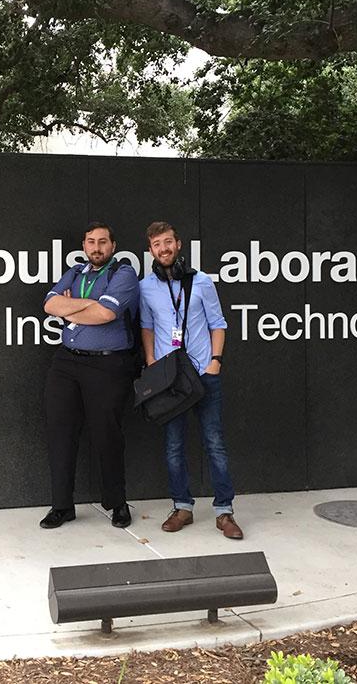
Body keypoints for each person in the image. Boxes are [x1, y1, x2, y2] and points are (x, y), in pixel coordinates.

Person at [139, 221, 244, 539]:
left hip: (202, 374)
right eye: (157, 244)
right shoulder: (146, 287)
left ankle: (224, 512)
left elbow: (218, 323)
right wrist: (151, 361)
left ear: (179, 244)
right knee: (173, 446)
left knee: (215, 444)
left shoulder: (202, 282)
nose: (163, 248)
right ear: (151, 251)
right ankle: (182, 507)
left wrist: (215, 362)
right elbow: (146, 326)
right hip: (170, 379)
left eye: (168, 242)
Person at [39, 222, 140, 529]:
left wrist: (68, 309)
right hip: (66, 363)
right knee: (60, 432)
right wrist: (85, 305)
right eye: (91, 242)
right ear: (84, 245)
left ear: (113, 245)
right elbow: (49, 304)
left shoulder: (123, 273)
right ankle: (62, 506)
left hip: (107, 366)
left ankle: (117, 503)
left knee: (106, 434)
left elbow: (106, 314)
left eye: (103, 242)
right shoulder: (75, 272)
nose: (97, 247)